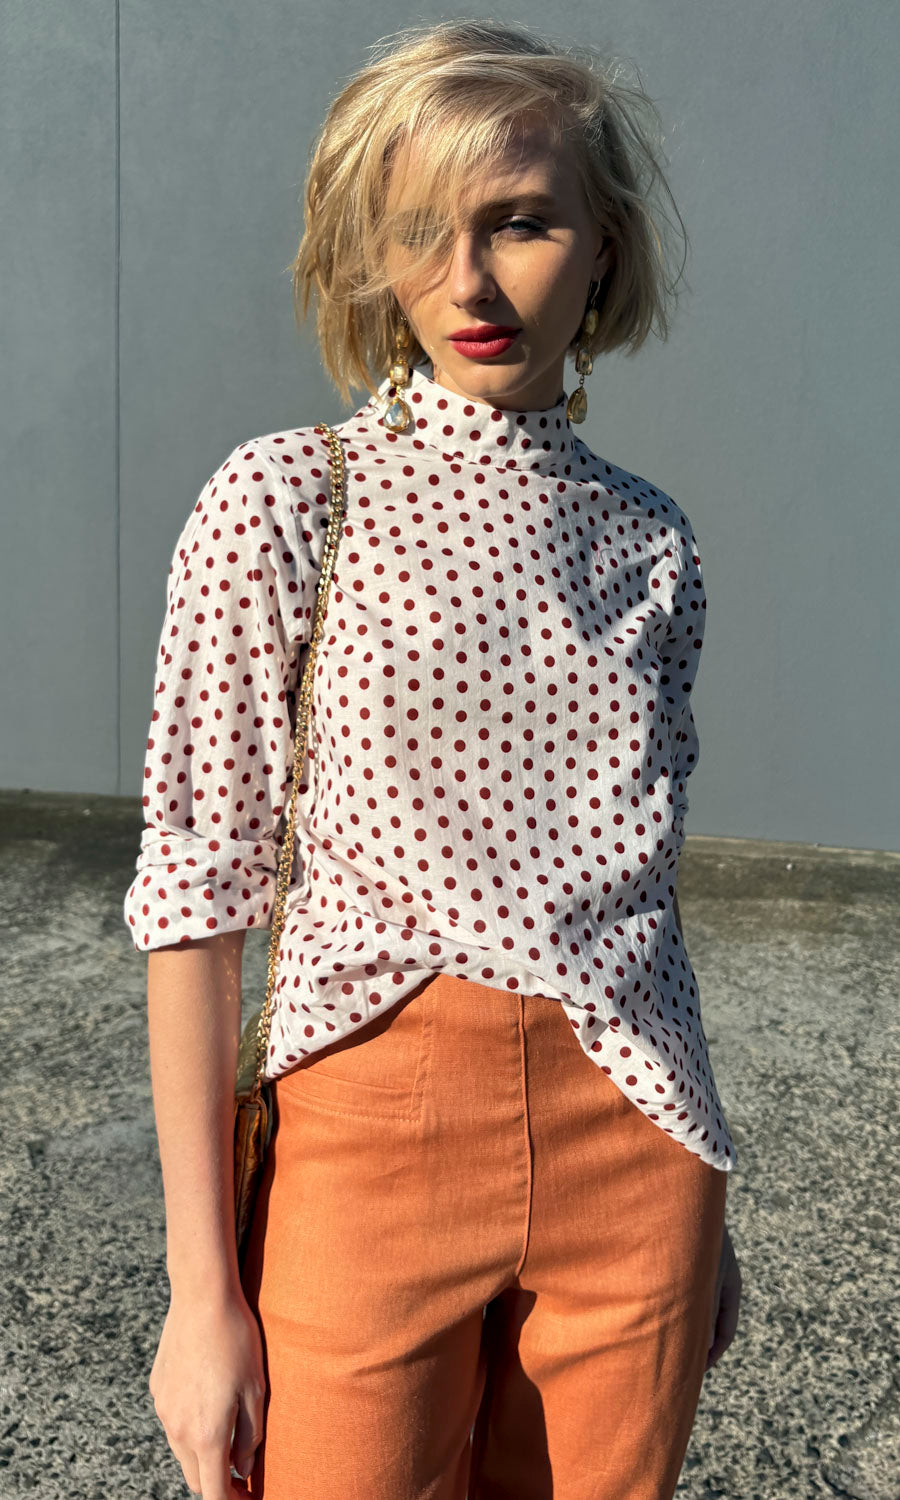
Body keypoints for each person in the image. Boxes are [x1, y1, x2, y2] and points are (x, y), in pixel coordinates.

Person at [125, 17, 743, 1500]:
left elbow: (641, 889)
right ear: (370, 253)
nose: (467, 280)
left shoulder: (651, 542)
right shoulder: (285, 501)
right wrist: (201, 1298)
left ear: (603, 247)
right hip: (367, 1137)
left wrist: (703, 1185)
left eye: (520, 222)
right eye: (418, 228)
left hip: (637, 1154)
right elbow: (197, 899)